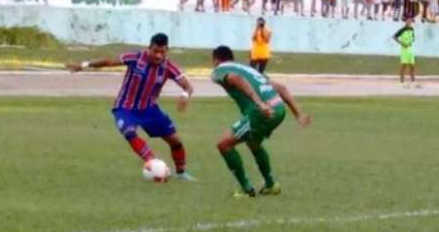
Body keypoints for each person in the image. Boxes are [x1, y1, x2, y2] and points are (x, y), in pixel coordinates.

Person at [67, 33, 196, 181]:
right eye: (155, 51)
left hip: (150, 109)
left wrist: (185, 95)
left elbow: (188, 86)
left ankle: (181, 173)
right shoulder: (135, 58)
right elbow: (109, 61)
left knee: (176, 141)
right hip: (125, 107)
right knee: (129, 133)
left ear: (167, 50)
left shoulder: (168, 67)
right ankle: (154, 164)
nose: (159, 56)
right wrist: (84, 65)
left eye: (162, 52)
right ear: (149, 48)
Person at [210, 46, 311, 197]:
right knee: (253, 142)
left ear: (216, 60)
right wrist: (299, 114)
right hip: (279, 109)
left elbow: (235, 79)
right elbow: (282, 89)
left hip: (262, 112)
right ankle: (271, 185)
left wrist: (259, 103)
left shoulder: (219, 70)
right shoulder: (250, 70)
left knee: (224, 145)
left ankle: (246, 189)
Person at [393, 18, 416, 86]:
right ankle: (402, 82)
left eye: (410, 21)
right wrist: (401, 43)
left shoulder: (412, 29)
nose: (409, 22)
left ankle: (413, 81)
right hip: (404, 49)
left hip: (410, 49)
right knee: (404, 65)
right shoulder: (402, 30)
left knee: (412, 65)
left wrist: (410, 41)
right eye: (408, 21)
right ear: (405, 22)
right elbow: (394, 37)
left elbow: (413, 38)